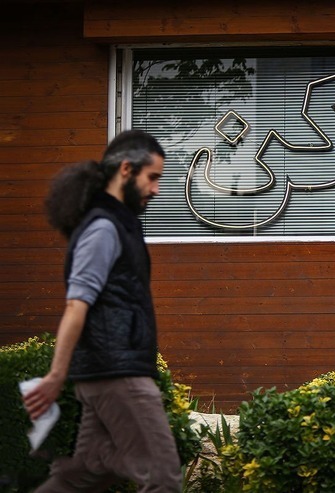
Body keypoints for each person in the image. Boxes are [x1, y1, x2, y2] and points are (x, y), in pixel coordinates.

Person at [22, 130, 182, 492]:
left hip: (108, 372)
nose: (156, 189)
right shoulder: (103, 228)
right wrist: (56, 375)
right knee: (162, 478)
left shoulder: (119, 224)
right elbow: (76, 304)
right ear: (126, 169)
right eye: (152, 177)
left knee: (83, 475)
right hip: (117, 373)